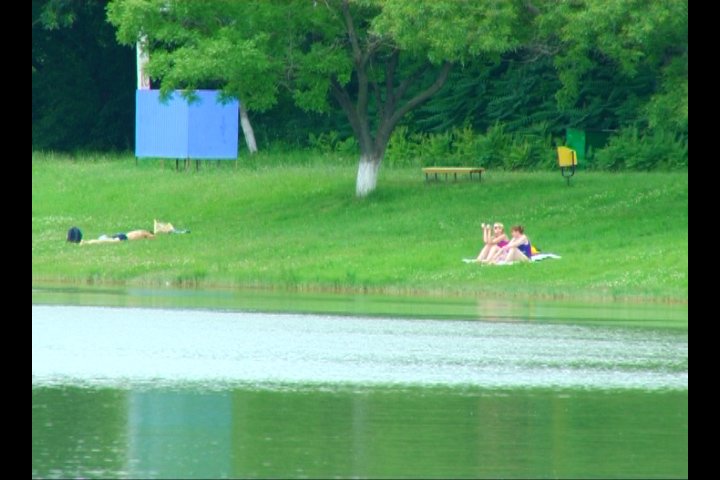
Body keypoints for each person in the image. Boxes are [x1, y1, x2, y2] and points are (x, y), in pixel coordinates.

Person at [67, 227, 154, 244]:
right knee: (141, 233)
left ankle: (154, 233)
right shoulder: (85, 242)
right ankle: (152, 233)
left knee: (142, 233)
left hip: (117, 239)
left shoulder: (85, 243)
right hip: (114, 238)